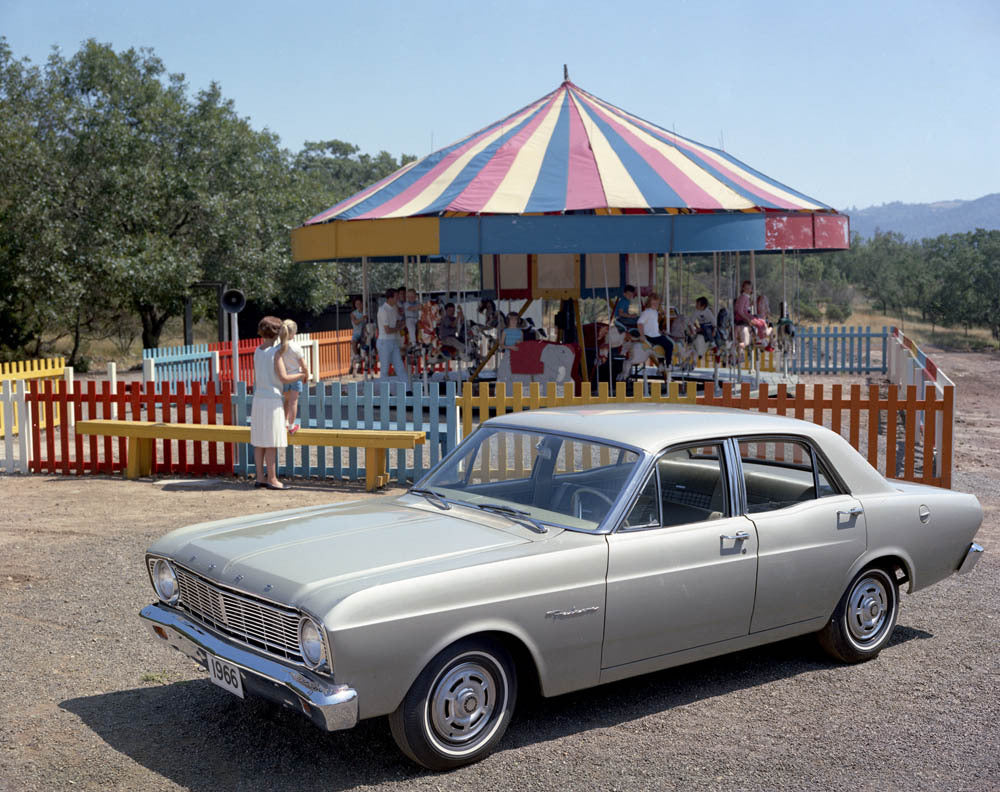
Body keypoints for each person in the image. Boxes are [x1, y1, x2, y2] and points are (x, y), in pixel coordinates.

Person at [250, 316, 305, 490]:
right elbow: (284, 377)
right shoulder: (276, 353)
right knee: (271, 442)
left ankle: (260, 477)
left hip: (258, 398)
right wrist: (302, 374)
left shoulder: (257, 351)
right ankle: (272, 479)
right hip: (272, 399)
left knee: (259, 441)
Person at [278, 319, 309, 434]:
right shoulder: (296, 347)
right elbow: (303, 364)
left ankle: (285, 423)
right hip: (295, 377)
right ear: (293, 334)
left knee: (286, 401)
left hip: (284, 378)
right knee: (293, 402)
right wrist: (306, 374)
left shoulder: (279, 347)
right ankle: (292, 426)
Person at [376, 288, 408, 385]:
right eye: (396, 297)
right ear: (390, 298)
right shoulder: (383, 310)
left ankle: (407, 390)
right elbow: (387, 330)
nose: (398, 298)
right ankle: (385, 393)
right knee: (385, 369)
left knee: (400, 367)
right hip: (384, 341)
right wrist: (399, 327)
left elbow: (398, 321)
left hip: (393, 340)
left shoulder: (394, 308)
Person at [637, 292, 674, 365]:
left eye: (657, 303)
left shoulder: (655, 312)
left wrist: (661, 332)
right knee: (670, 344)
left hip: (655, 335)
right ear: (649, 303)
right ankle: (668, 364)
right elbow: (639, 323)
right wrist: (642, 335)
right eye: (654, 303)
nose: (656, 305)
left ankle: (661, 363)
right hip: (651, 336)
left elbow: (653, 327)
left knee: (664, 340)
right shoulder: (647, 312)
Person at [350, 297, 366, 366]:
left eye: (359, 303)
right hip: (357, 332)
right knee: (353, 342)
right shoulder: (353, 314)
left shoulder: (365, 312)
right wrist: (362, 318)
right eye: (357, 304)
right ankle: (357, 356)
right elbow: (355, 322)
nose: (358, 305)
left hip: (365, 332)